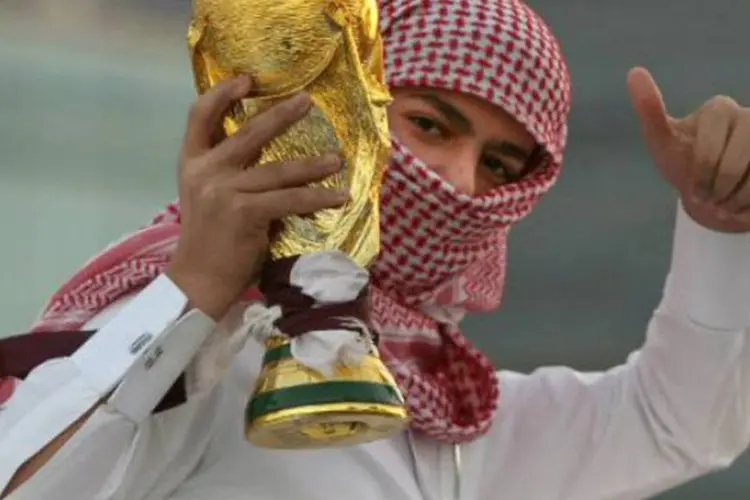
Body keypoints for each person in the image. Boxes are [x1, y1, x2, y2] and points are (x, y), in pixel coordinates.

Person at [2, 0, 750, 498]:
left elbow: (676, 424)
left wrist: (720, 221)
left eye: (498, 167)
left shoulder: (453, 414)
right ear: (343, 114)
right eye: (430, 125)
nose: (457, 183)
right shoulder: (200, 350)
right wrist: (196, 288)